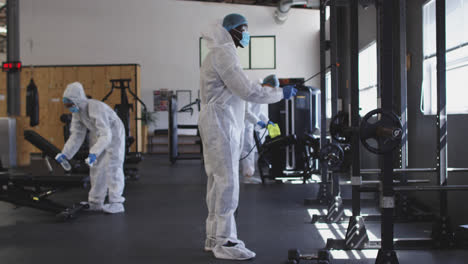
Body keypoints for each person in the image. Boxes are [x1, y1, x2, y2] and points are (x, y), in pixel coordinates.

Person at [198, 13, 297, 260]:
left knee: (217, 181)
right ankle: (225, 241)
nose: (247, 34)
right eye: (244, 28)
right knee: (227, 181)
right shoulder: (224, 53)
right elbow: (248, 90)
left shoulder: (217, 54)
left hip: (218, 122)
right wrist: (279, 93)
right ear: (231, 30)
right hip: (220, 123)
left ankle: (213, 237)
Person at [55, 82, 126, 214]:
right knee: (96, 167)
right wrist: (65, 154)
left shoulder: (96, 107)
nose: (69, 108)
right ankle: (95, 202)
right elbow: (76, 135)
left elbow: (106, 134)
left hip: (114, 133)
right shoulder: (78, 112)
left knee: (113, 166)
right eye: (67, 105)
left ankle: (116, 202)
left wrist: (94, 152)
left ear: (77, 100)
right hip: (98, 133)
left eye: (70, 104)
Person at [240, 74, 280, 184]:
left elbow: (259, 111)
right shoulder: (252, 91)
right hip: (244, 124)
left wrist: (267, 121)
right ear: (267, 84)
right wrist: (257, 121)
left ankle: (249, 172)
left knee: (250, 148)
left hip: (250, 124)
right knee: (247, 148)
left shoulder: (261, 93)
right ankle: (247, 174)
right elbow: (246, 112)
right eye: (271, 89)